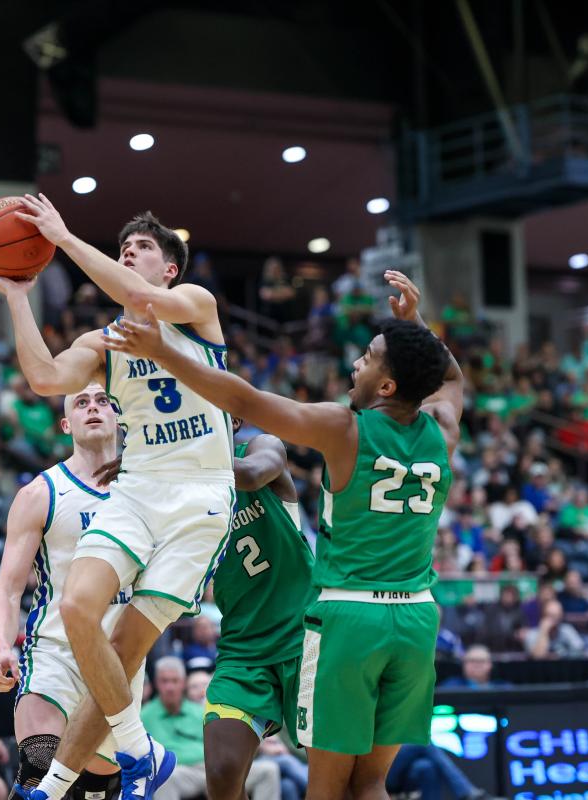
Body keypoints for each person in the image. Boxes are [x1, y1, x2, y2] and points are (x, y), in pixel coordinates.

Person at [104, 269, 462, 800]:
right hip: (417, 618)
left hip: (348, 618)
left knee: (327, 790)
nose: (356, 363)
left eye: (368, 358)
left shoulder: (346, 428)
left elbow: (248, 403)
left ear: (387, 387)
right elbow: (451, 378)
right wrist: (418, 328)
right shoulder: (443, 428)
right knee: (370, 784)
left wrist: (164, 353)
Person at [0, 199, 234, 800]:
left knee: (126, 645)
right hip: (139, 486)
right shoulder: (104, 342)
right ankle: (139, 751)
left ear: (170, 268)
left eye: (143, 248)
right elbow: (45, 378)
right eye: (124, 248)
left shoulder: (195, 306)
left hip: (199, 493)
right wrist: (17, 296)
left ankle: (71, 781)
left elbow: (142, 299)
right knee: (76, 607)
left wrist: (65, 238)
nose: (129, 253)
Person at [0, 383, 127, 799]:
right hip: (55, 652)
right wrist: (1, 646)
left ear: (119, 417)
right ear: (66, 424)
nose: (93, 408)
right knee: (40, 770)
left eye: (102, 401)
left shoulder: (143, 492)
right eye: (81, 403)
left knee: (95, 790)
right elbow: (7, 589)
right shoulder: (41, 493)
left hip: (120, 660)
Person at [201, 417, 315, 800]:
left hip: (307, 639)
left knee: (334, 781)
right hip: (243, 649)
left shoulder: (261, 448)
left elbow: (250, 476)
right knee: (222, 773)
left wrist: (168, 459)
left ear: (232, 421)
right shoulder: (178, 494)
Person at [141, 657, 280, 800]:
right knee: (165, 778)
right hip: (182, 772)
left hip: (214, 768)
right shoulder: (145, 716)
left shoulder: (199, 711)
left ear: (183, 683)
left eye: (174, 681)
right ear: (156, 683)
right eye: (164, 681)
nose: (170, 687)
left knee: (268, 770)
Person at [439, 645, 509, 689]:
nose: (477, 665)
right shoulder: (450, 686)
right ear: (464, 664)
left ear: (490, 664)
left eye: (481, 661)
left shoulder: (503, 688)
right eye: (472, 661)